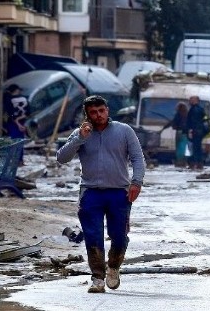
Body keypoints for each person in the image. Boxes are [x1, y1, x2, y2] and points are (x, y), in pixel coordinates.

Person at [56, 95, 146, 293]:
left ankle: (113, 266)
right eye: (93, 113)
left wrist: (136, 182)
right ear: (87, 115)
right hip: (90, 193)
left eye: (101, 111)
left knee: (119, 236)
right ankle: (97, 277)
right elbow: (61, 158)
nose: (98, 115)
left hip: (119, 193)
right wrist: (80, 138)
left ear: (107, 110)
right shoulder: (80, 134)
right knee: (93, 235)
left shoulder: (124, 131)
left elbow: (138, 158)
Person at [3, 84, 30, 166]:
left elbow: (10, 114)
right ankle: (20, 161)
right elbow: (28, 113)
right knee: (20, 142)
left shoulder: (8, 100)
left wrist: (17, 122)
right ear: (17, 90)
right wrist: (22, 124)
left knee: (13, 142)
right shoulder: (25, 99)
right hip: (22, 123)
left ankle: (14, 161)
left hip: (13, 124)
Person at [163, 102, 189, 168]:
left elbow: (173, 122)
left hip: (179, 132)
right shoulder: (187, 114)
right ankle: (184, 161)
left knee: (179, 147)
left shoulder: (178, 114)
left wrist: (165, 128)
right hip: (185, 133)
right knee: (183, 147)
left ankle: (179, 161)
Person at [185, 95, 208, 170]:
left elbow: (192, 121)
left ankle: (195, 163)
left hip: (195, 131)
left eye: (191, 100)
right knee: (197, 148)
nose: (189, 101)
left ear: (196, 100)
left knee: (195, 148)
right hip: (200, 131)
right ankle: (199, 163)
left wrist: (190, 130)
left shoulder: (194, 109)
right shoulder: (201, 109)